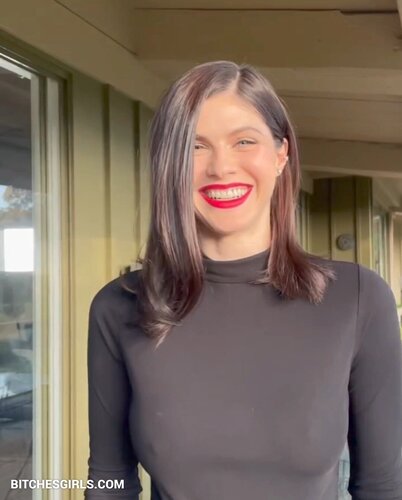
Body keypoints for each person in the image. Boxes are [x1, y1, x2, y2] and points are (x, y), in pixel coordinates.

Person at [84, 61, 402, 500]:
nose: (221, 167)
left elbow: (384, 487)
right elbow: (109, 483)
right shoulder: (119, 307)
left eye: (244, 141)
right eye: (195, 147)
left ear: (281, 154)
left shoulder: (357, 298)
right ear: (169, 166)